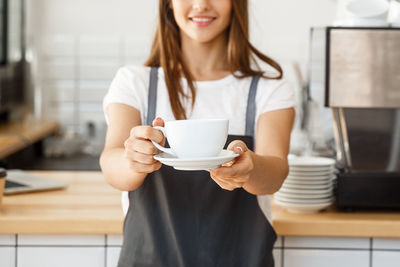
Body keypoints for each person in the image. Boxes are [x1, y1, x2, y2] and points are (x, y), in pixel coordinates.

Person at [100, 0, 295, 266]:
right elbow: (111, 163)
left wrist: (250, 168)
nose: (201, 5)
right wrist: (133, 158)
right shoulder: (135, 82)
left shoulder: (269, 89)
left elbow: (275, 173)